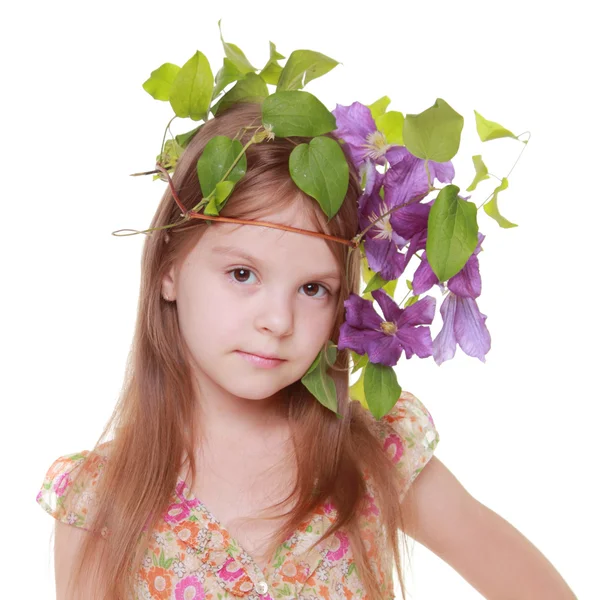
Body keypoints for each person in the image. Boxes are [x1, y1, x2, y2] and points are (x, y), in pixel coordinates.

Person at [36, 100, 577, 600]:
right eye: (242, 273)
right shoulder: (99, 500)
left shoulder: (374, 457)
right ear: (170, 270)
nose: (277, 320)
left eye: (313, 288)